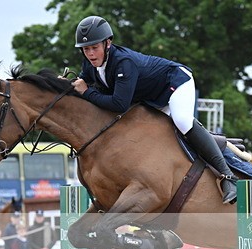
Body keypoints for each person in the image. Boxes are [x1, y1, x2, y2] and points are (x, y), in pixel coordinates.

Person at [72, 15, 237, 204]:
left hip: (174, 83)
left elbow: (118, 104)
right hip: (152, 98)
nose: (91, 54)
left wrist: (85, 93)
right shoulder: (89, 64)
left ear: (107, 43)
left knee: (182, 121)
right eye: (86, 49)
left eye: (95, 48)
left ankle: (228, 176)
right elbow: (83, 84)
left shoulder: (123, 63)